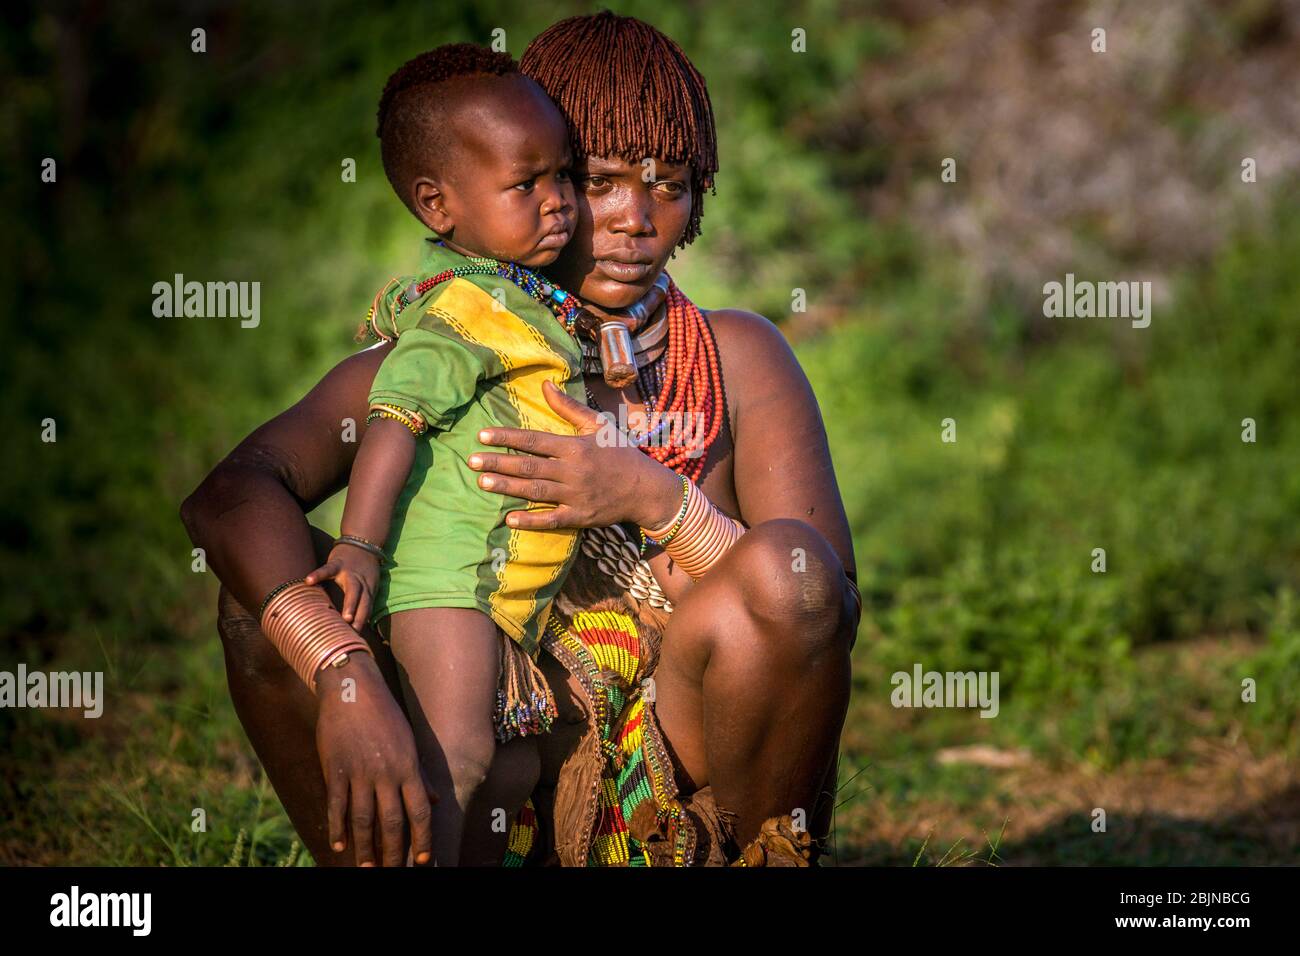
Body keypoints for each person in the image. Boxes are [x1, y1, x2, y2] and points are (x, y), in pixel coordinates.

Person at [181, 11, 859, 867]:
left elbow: (825, 599)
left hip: (676, 767)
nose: (637, 219)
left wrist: (655, 498)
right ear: (535, 177)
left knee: (783, 563)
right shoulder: (451, 344)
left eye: (672, 183)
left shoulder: (738, 356)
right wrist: (341, 670)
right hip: (486, 755)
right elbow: (232, 492)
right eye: (601, 181)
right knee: (264, 601)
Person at [290, 42, 592, 866]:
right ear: (438, 205)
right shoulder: (464, 308)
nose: (558, 202)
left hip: (499, 597)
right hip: (446, 585)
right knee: (454, 762)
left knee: (508, 770)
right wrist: (357, 545)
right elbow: (393, 419)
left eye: (564, 175)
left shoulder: (515, 298)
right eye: (524, 184)